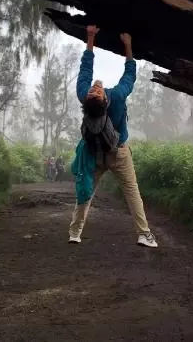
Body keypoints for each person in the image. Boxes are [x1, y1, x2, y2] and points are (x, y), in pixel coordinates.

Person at [68, 24, 158, 248]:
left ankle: (75, 233)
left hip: (94, 154)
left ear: (86, 100)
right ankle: (144, 234)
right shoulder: (116, 96)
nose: (94, 86)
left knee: (86, 190)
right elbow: (130, 75)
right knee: (131, 192)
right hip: (118, 152)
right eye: (95, 90)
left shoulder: (84, 97)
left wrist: (90, 37)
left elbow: (85, 71)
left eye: (92, 90)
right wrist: (128, 45)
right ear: (102, 97)